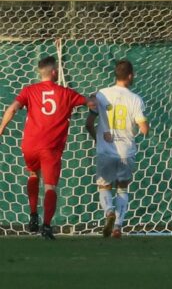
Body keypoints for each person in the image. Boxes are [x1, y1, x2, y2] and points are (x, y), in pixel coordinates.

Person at [0, 56, 95, 239]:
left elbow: (12, 109)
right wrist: (94, 99)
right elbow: (90, 103)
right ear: (54, 72)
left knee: (33, 174)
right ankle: (46, 226)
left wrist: (1, 128)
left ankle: (33, 214)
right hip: (50, 147)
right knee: (50, 186)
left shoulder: (29, 90)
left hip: (30, 145)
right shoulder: (66, 93)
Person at [86, 60, 149, 238]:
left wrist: (98, 139)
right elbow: (144, 129)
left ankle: (109, 212)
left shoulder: (101, 95)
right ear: (130, 76)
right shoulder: (136, 99)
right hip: (126, 151)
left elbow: (89, 124)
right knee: (122, 187)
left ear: (116, 75)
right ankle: (118, 227)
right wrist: (142, 126)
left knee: (104, 185)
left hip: (105, 150)